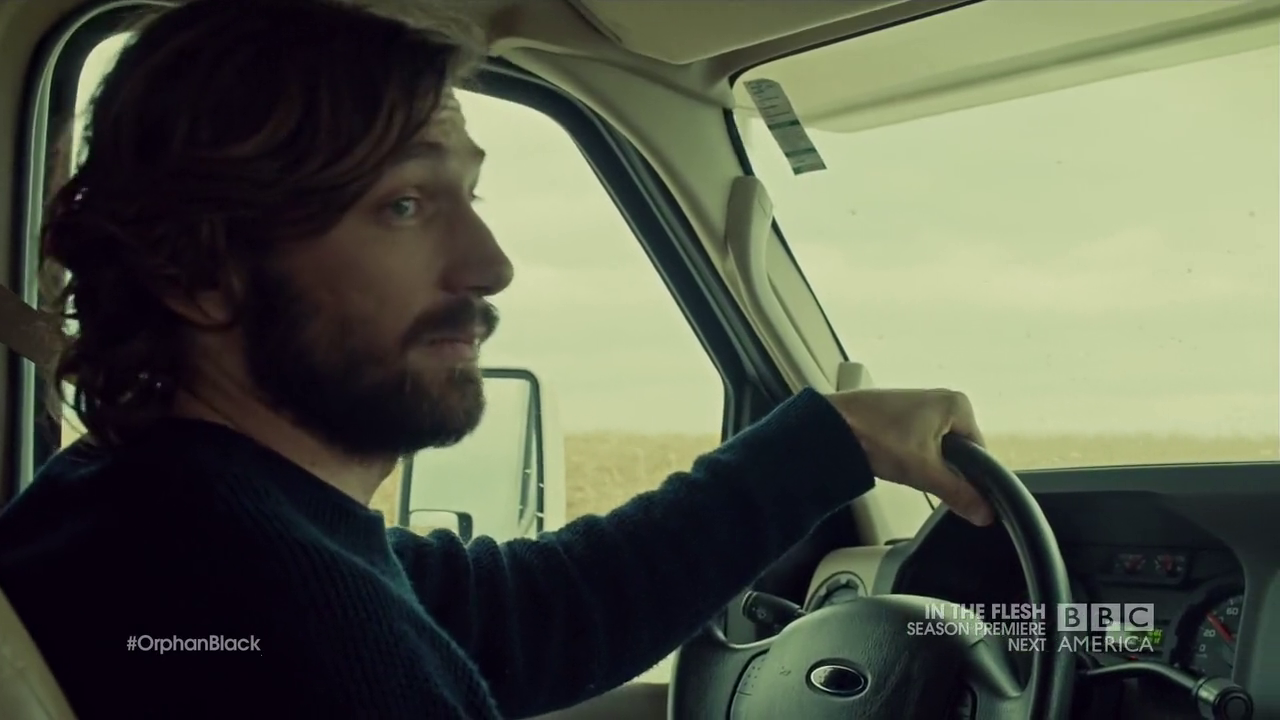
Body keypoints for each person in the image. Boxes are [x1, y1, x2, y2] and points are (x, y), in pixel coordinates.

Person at [0, 0, 995, 718]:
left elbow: (527, 614)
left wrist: (835, 437)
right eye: (404, 204)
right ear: (198, 272)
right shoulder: (259, 612)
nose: (489, 266)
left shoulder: (156, 515)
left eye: (467, 196)